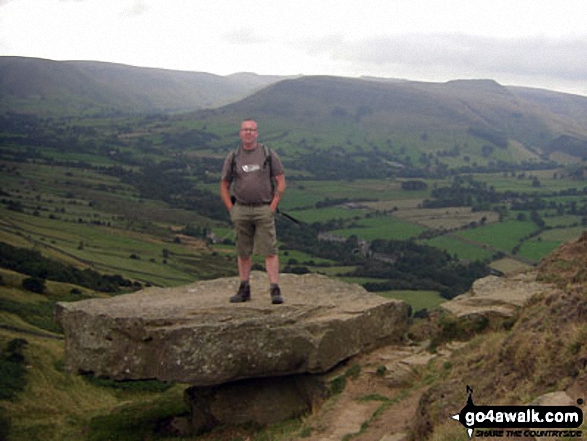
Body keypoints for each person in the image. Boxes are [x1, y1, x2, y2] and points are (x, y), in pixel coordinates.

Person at [220, 119, 286, 304]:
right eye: (245, 130)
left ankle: (274, 289)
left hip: (263, 208)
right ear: (240, 133)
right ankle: (244, 289)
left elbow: (281, 181)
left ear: (257, 133)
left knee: (270, 250)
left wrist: (272, 206)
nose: (248, 133)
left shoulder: (267, 154)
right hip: (241, 208)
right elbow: (224, 185)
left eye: (252, 130)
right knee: (243, 251)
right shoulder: (233, 156)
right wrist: (232, 209)